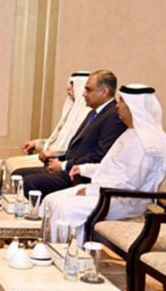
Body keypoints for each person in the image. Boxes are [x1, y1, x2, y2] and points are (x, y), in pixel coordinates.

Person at [42, 84, 166, 242]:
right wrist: (83, 169)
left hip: (125, 200)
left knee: (66, 209)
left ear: (133, 107)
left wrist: (92, 191)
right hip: (108, 191)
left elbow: (131, 184)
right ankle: (50, 248)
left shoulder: (146, 142)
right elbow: (112, 168)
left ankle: (74, 253)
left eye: (122, 101)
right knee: (51, 200)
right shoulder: (130, 133)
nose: (118, 106)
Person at [13, 70, 127, 196]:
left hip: (80, 175)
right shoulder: (94, 113)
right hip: (69, 167)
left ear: (104, 92)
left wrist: (64, 165)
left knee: (29, 181)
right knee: (18, 175)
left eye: (88, 90)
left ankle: (32, 208)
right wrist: (58, 162)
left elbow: (100, 156)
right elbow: (77, 148)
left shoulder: (113, 117)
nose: (83, 94)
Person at [6, 71, 91, 172]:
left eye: (72, 84)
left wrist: (53, 153)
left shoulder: (87, 116)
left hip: (62, 161)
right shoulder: (70, 112)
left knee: (17, 168)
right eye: (69, 84)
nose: (69, 88)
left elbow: (75, 150)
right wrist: (37, 144)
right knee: (11, 161)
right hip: (51, 157)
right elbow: (57, 141)